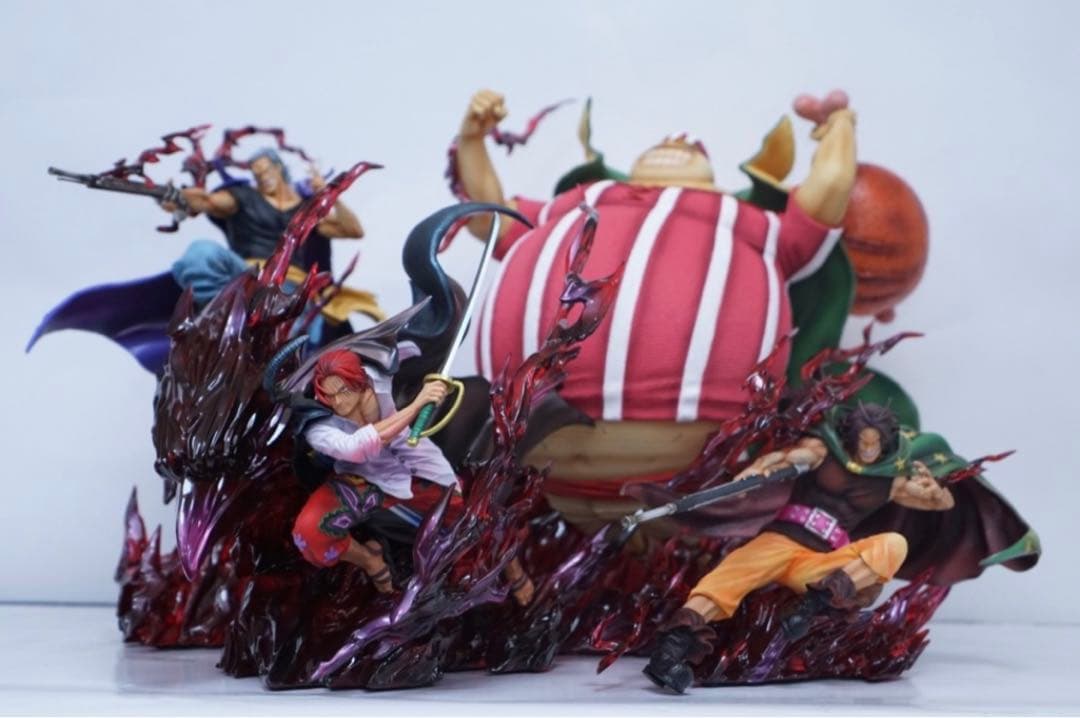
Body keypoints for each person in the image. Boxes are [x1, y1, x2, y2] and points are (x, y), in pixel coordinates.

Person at [452, 88, 857, 532]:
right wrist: (471, 140)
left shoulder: (749, 221)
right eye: (667, 141)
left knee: (657, 543)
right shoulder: (578, 201)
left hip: (677, 458)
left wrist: (839, 125)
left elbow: (830, 188)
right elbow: (486, 215)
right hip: (532, 447)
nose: (675, 141)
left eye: (690, 147)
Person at [642, 403, 1037, 693]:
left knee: (893, 543)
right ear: (850, 436)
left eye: (875, 443)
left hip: (822, 564)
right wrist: (765, 469)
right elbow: (786, 458)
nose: (868, 449)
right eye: (863, 441)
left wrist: (934, 489)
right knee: (725, 579)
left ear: (886, 442)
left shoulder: (891, 480)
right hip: (781, 540)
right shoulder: (822, 451)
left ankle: (810, 608)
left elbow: (937, 502)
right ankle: (670, 654)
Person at [290, 349, 535, 604]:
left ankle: (515, 573)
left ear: (359, 380)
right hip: (359, 480)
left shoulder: (380, 377)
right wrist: (418, 404)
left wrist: (434, 394)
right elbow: (356, 447)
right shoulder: (317, 425)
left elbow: (413, 375)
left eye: (343, 391)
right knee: (309, 532)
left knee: (476, 517)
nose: (338, 402)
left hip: (415, 466)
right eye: (329, 396)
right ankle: (370, 561)